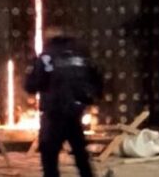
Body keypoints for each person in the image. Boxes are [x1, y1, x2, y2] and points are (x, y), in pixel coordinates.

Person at [25, 27, 103, 177]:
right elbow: (97, 76)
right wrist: (90, 98)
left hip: (54, 113)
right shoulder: (80, 55)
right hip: (75, 112)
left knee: (49, 156)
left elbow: (32, 85)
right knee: (81, 155)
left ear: (48, 39)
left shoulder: (47, 57)